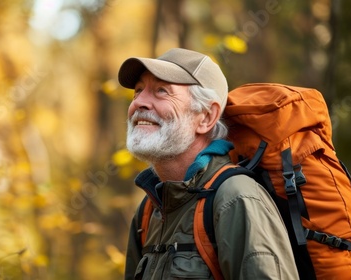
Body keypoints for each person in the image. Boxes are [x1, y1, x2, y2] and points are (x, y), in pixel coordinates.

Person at [118, 48, 299, 279]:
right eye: (138, 91)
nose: (139, 102)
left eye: (161, 91)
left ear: (205, 117)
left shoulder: (236, 198)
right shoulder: (148, 211)